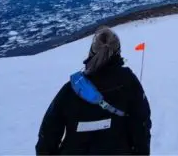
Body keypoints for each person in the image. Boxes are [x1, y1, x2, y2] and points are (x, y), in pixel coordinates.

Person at [36, 26, 151, 155]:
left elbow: (48, 134)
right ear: (118, 52)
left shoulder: (71, 88)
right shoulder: (129, 83)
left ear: (91, 51)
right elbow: (141, 124)